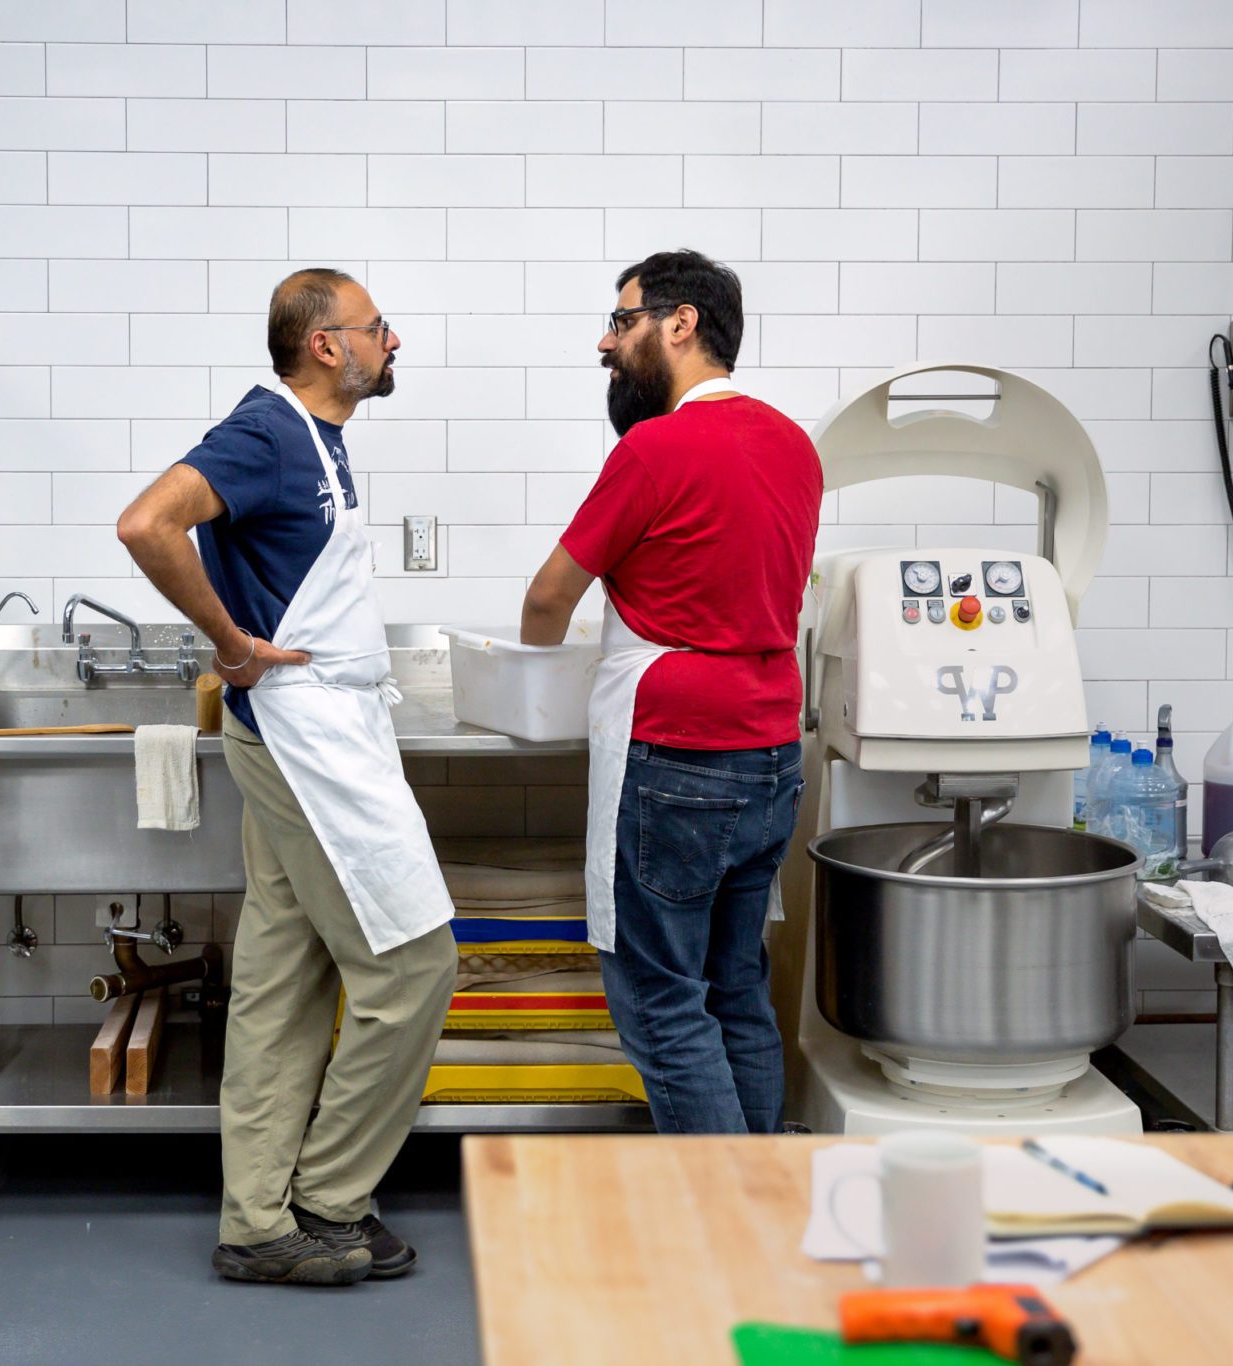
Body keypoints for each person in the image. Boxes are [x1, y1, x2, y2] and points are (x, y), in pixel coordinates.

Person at [117, 268, 456, 1286]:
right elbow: (146, 524)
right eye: (376, 327)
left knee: (284, 977)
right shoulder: (266, 433)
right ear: (324, 345)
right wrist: (230, 645)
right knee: (412, 968)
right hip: (304, 739)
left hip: (320, 728)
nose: (391, 341)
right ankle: (325, 1198)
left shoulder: (320, 441)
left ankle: (257, 1218)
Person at [519, 249, 821, 1134]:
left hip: (677, 760)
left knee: (659, 1002)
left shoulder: (654, 448)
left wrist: (537, 677)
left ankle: (724, 1235)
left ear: (679, 324)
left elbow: (548, 596)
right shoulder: (794, 445)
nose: (606, 344)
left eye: (622, 323)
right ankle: (765, 1209)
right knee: (735, 989)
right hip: (770, 754)